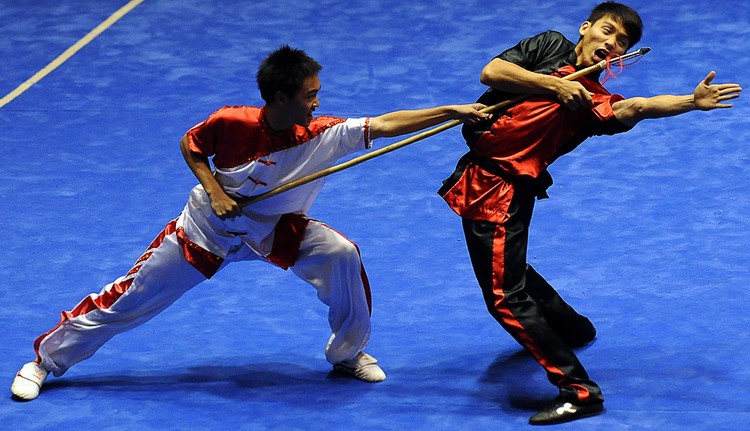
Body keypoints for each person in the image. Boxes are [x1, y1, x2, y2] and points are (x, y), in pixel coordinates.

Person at [11, 45, 489, 401]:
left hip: (274, 229)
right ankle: (45, 360)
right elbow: (191, 145)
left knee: (341, 254)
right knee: (131, 300)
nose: (317, 103)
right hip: (206, 232)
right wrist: (216, 192)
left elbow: (384, 124)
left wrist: (452, 111)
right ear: (280, 97)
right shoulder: (232, 122)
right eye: (310, 95)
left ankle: (347, 354)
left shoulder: (324, 134)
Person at [438, 1, 742, 426]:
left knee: (505, 297)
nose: (612, 43)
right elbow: (492, 73)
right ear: (586, 28)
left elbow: (637, 107)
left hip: (503, 194)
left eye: (622, 43)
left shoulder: (592, 101)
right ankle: (573, 328)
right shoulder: (548, 45)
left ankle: (580, 392)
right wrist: (554, 86)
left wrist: (690, 101)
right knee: (508, 269)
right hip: (479, 173)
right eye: (607, 31)